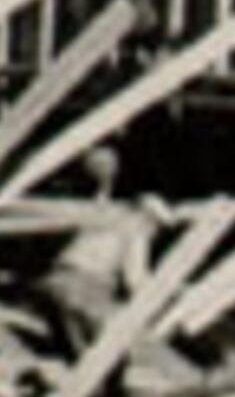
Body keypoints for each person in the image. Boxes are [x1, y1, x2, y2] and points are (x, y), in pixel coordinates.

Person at [36, 146, 165, 364]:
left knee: (80, 358)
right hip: (87, 288)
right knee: (113, 355)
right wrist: (157, 310)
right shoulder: (138, 226)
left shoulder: (102, 211)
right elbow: (135, 278)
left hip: (54, 282)